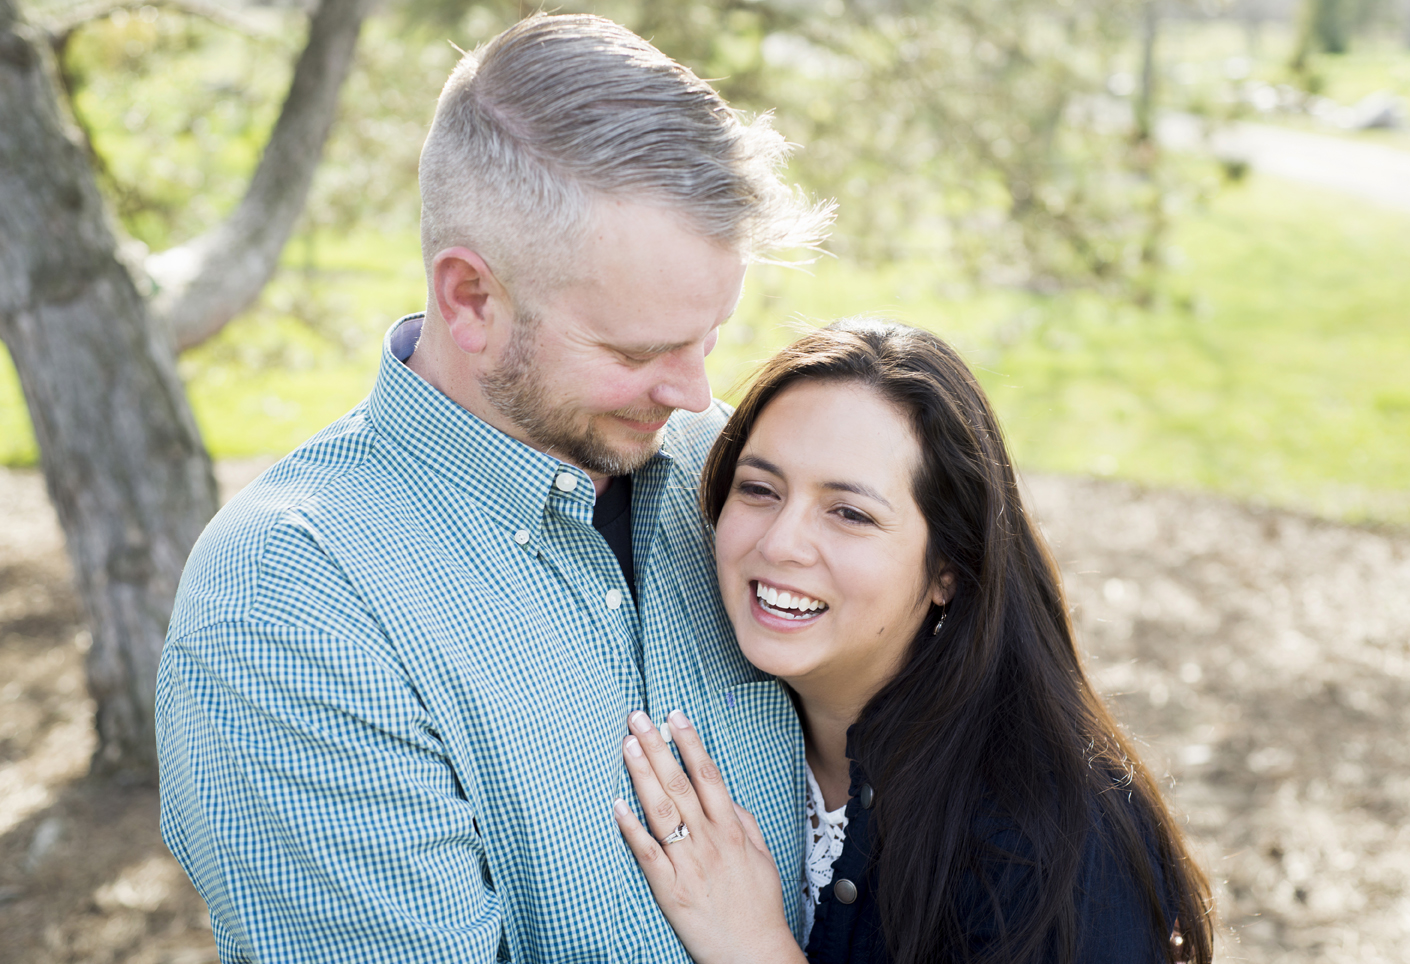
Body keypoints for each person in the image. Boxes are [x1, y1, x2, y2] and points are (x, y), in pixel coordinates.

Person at [155, 14, 831, 962]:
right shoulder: (294, 602)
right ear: (470, 299)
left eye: (710, 335)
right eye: (637, 351)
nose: (695, 393)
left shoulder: (731, 479)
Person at [612, 319, 1214, 964]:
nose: (780, 543)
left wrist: (753, 947)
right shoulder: (739, 722)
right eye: (759, 489)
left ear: (948, 568)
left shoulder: (1052, 843)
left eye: (850, 513)